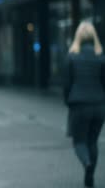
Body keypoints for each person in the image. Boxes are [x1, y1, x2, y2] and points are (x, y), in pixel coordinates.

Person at [63, 22, 105, 188]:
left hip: (79, 104)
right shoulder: (101, 56)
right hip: (99, 105)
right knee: (93, 141)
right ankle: (90, 177)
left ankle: (86, 163)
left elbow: (67, 84)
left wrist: (68, 101)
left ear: (78, 36)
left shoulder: (72, 56)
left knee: (79, 141)